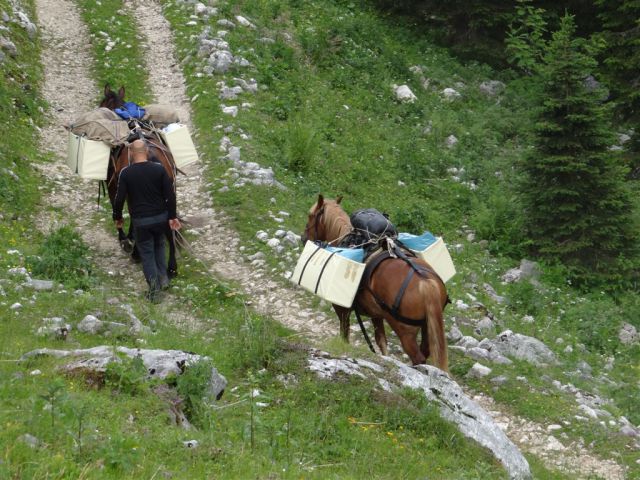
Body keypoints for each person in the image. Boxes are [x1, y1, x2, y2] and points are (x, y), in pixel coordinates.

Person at [112, 139, 181, 302]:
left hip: (142, 221)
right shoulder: (159, 170)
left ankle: (155, 291)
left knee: (147, 253)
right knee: (159, 246)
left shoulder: (126, 173)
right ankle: (163, 279)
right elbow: (170, 196)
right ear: (147, 151)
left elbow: (119, 198)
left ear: (131, 153)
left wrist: (117, 217)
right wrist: (172, 217)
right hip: (161, 218)